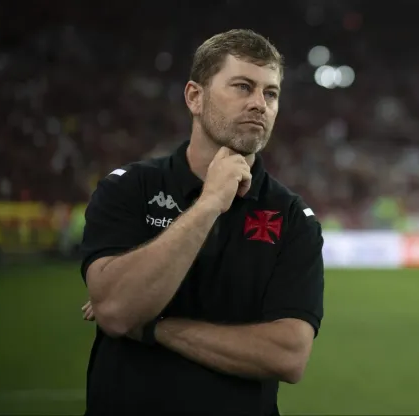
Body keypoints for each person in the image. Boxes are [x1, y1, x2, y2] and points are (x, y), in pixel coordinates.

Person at [79, 29, 324, 416]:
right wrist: (209, 203)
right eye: (243, 87)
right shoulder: (128, 189)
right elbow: (116, 311)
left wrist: (155, 327)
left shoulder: (293, 218)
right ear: (195, 96)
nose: (260, 104)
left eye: (270, 93)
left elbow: (287, 355)